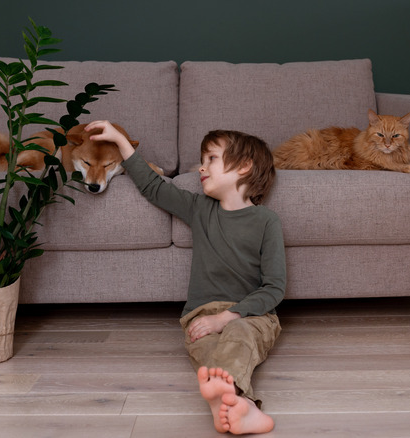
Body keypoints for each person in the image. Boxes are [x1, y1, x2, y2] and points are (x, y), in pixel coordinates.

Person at [85, 121, 286, 435]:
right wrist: (121, 143)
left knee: (238, 337)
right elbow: (154, 187)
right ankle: (237, 406)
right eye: (201, 160)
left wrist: (227, 317)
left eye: (211, 159)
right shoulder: (200, 209)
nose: (200, 168)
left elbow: (274, 287)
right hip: (201, 314)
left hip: (251, 314)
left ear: (244, 167)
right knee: (207, 355)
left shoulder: (266, 221)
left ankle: (229, 400)